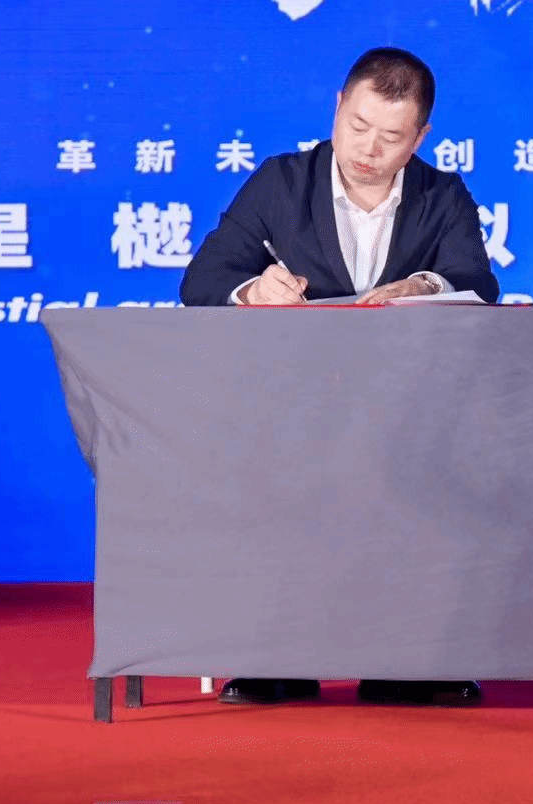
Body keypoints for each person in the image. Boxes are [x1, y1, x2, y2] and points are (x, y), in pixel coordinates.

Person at [180, 46, 499, 708]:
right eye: (358, 126)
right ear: (337, 108)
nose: (368, 150)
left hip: (405, 410)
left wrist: (422, 284)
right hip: (294, 406)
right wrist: (254, 291)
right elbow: (203, 279)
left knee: (422, 511)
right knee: (285, 513)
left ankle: (408, 664)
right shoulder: (281, 183)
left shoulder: (442, 195)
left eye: (391, 137)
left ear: (420, 137)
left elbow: (477, 281)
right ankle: (278, 658)